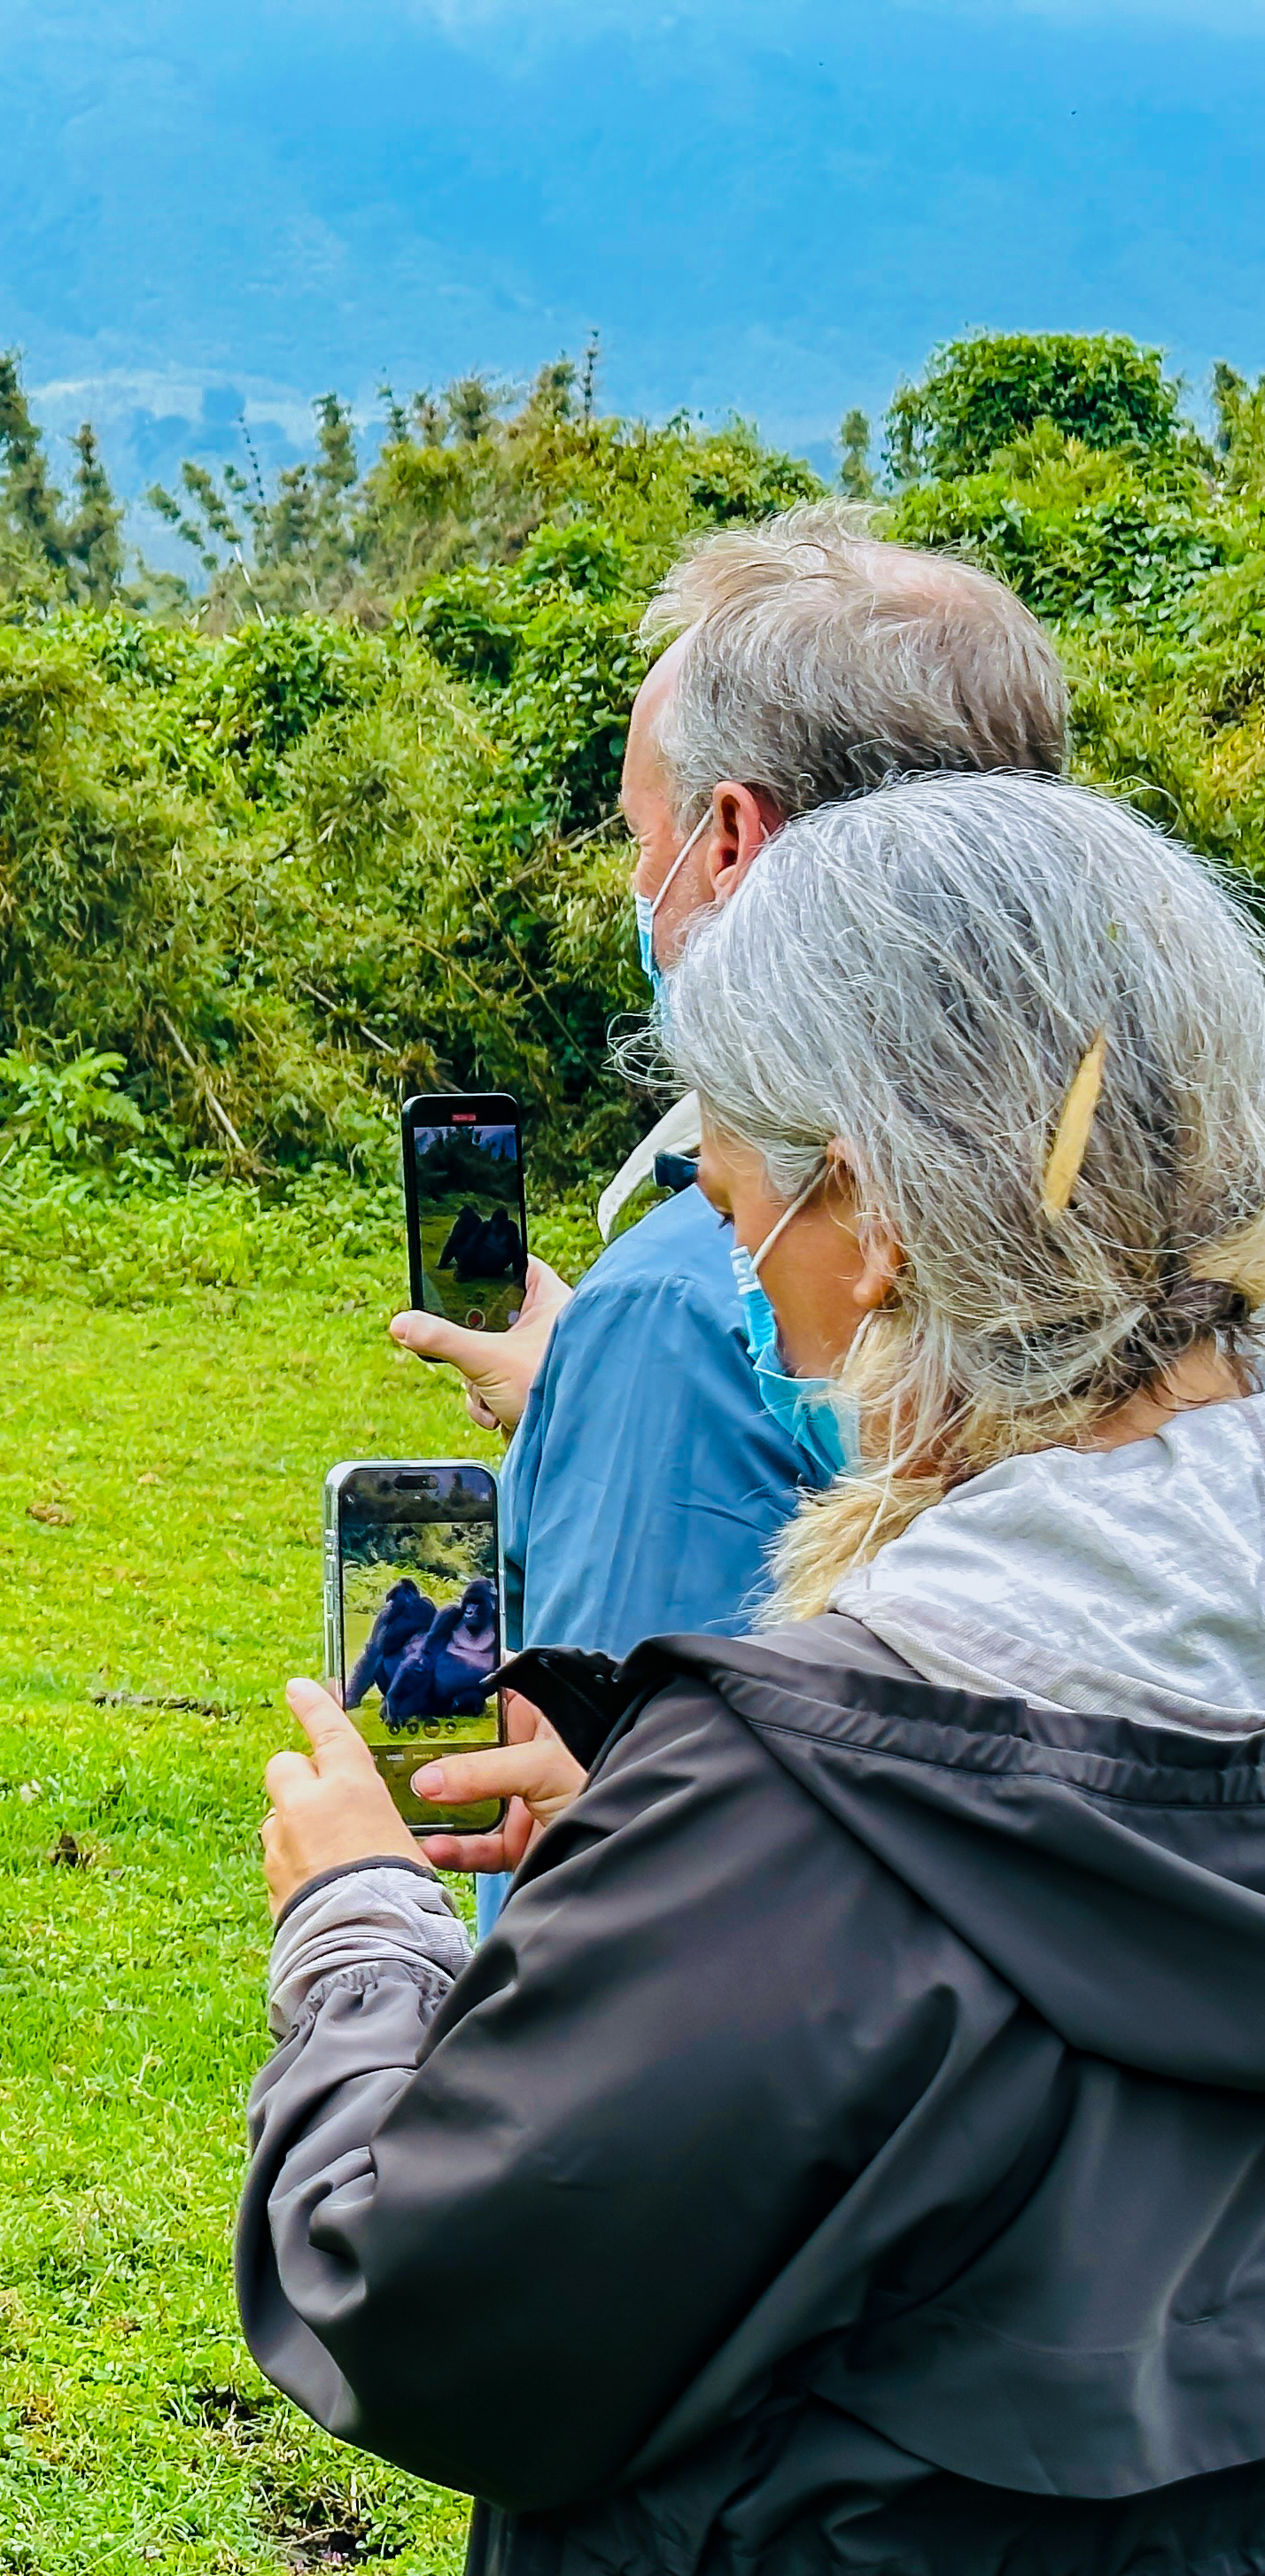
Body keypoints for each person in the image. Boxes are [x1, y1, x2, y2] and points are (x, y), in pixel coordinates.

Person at [242, 771, 1265, 2576]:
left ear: (869, 1208)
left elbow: (425, 2299)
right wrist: (663, 1831)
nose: (741, 1285)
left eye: (736, 1204)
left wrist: (360, 1937)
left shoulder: (814, 1792)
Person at [391, 511, 1070, 1917]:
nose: (641, 888)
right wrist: (576, 1399)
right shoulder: (1132, 1216)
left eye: (648, 840)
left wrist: (354, 1936)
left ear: (733, 843)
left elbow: (627, 1894)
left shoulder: (708, 1288)